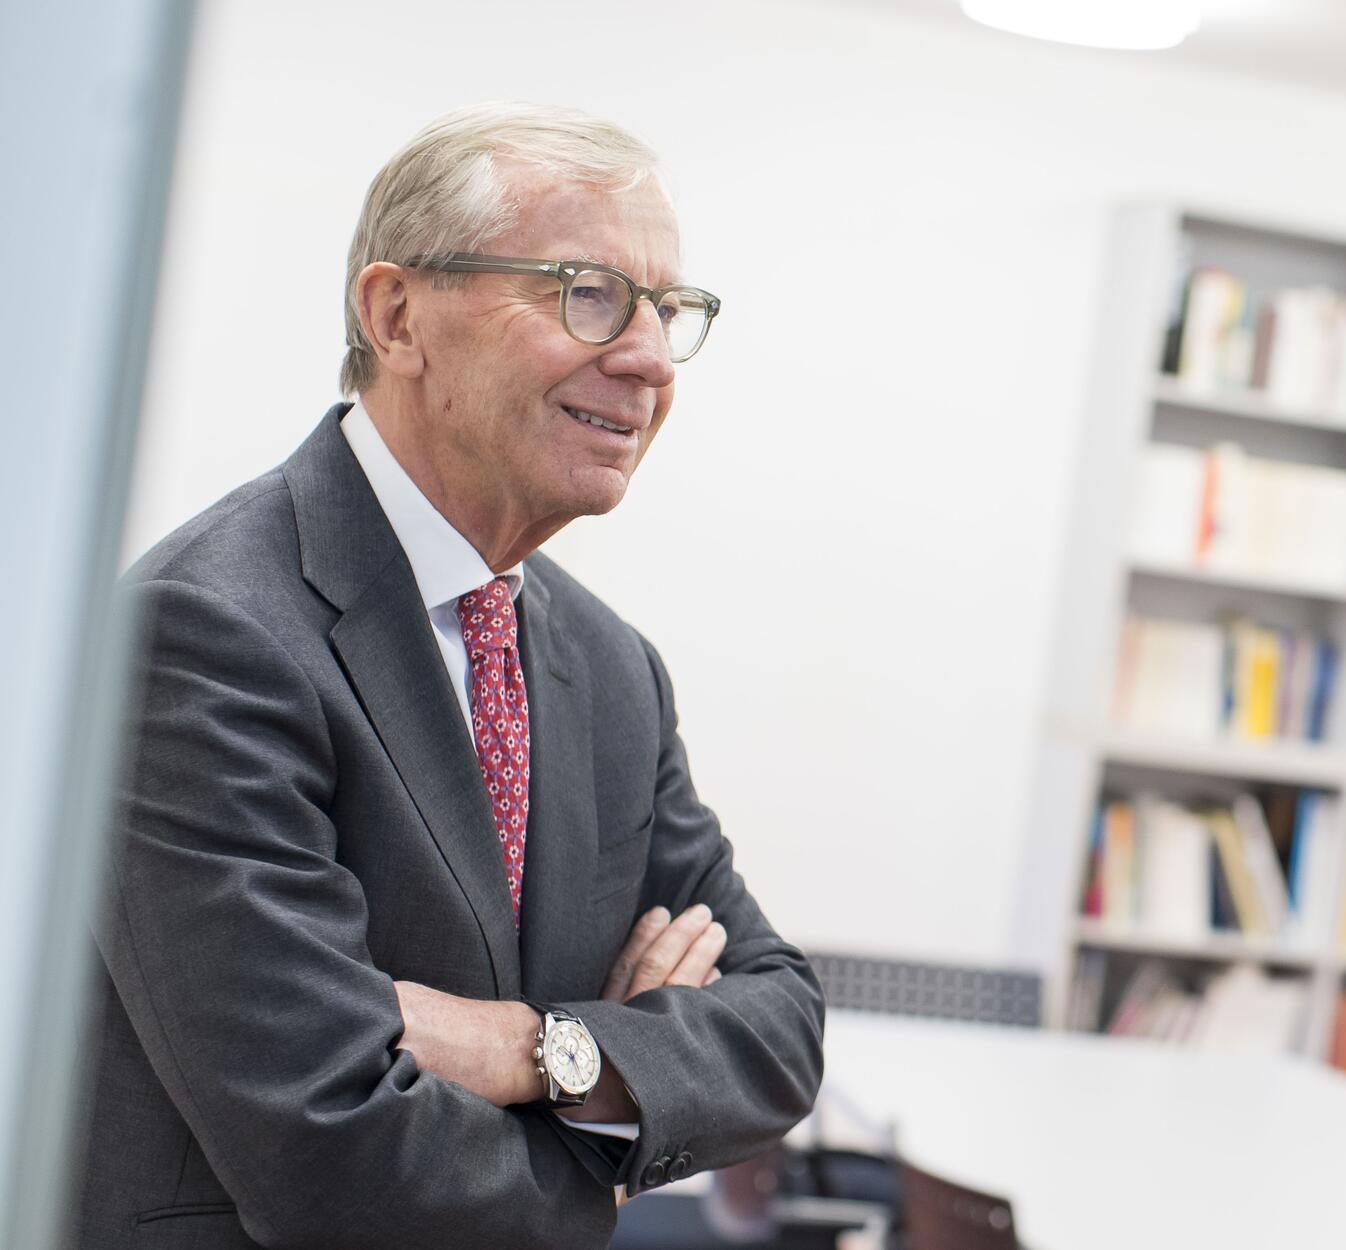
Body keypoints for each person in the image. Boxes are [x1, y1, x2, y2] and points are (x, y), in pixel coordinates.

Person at [78, 103, 826, 1249]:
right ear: (396, 314)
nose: (642, 357)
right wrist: (611, 1148)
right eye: (586, 291)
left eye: (668, 310)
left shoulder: (611, 669)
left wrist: (536, 1048)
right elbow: (329, 1147)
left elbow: (778, 1026)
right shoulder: (204, 631)